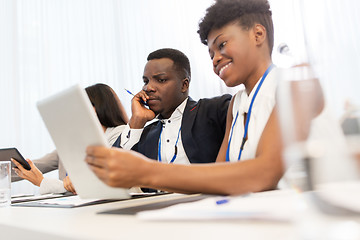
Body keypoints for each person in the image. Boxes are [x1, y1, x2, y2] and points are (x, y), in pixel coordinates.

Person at [86, 0, 284, 195]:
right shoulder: (237, 104)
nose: (215, 58)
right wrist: (137, 123)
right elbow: (218, 175)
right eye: (211, 53)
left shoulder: (291, 86)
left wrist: (147, 171)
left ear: (258, 34)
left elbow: (264, 174)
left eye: (222, 45)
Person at [114, 48, 231, 165]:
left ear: (184, 85)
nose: (148, 88)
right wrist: (137, 120)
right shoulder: (146, 134)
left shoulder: (212, 110)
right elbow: (114, 167)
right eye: (146, 81)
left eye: (161, 80)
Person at [12, 83, 128, 194]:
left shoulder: (119, 134)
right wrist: (7, 168)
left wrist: (42, 182)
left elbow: (95, 182)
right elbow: (37, 165)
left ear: (98, 107)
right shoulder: (73, 142)